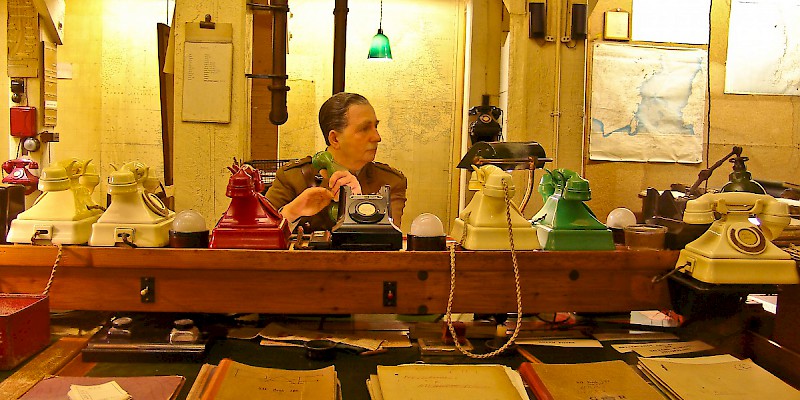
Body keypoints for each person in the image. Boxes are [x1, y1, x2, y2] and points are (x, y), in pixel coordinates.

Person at [265, 92, 407, 232]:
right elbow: (259, 239)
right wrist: (291, 213)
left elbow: (387, 246)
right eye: (364, 129)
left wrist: (358, 204)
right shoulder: (292, 178)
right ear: (335, 139)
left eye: (375, 126)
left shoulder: (390, 182)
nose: (377, 137)